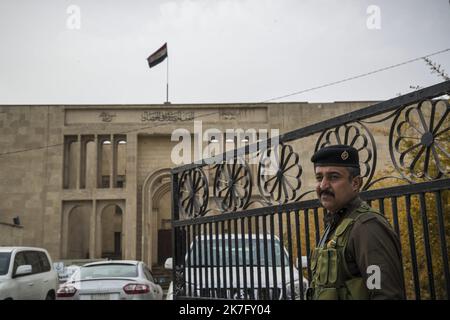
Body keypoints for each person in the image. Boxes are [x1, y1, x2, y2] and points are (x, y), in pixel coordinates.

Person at [307, 144, 405, 300]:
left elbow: (385, 295)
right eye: (319, 178)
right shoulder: (337, 223)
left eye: (334, 177)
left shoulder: (368, 227)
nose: (323, 185)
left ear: (355, 183)